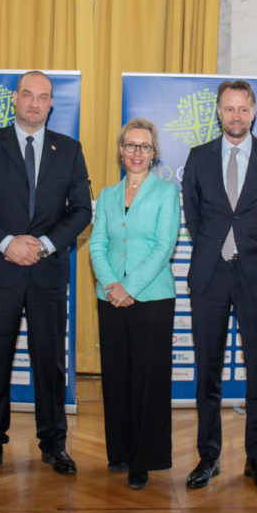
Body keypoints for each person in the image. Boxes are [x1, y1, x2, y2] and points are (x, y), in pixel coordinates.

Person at [0, 70, 92, 478]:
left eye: (43, 96)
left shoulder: (69, 149)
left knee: (50, 362)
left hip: (47, 273)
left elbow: (81, 210)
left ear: (51, 104)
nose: (34, 103)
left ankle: (54, 444)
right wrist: (6, 243)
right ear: (14, 98)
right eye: (28, 94)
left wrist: (45, 245)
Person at [181, 79, 257, 492]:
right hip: (210, 275)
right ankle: (208, 456)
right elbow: (194, 216)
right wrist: (217, 248)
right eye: (228, 108)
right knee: (207, 371)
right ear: (218, 111)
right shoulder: (198, 158)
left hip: (256, 275)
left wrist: (254, 249)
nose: (236, 116)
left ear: (254, 112)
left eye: (243, 109)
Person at [89, 118, 180, 490]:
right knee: (116, 377)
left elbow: (164, 246)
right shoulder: (108, 195)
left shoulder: (166, 193)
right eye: (130, 145)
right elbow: (97, 243)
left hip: (152, 298)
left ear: (153, 153)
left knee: (148, 379)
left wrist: (128, 288)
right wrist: (111, 285)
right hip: (109, 297)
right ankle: (120, 452)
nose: (137, 152)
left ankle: (145, 458)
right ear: (121, 150)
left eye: (144, 146)